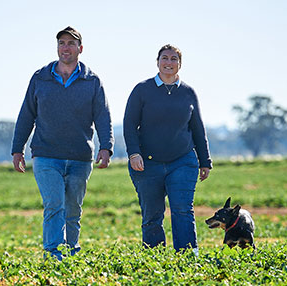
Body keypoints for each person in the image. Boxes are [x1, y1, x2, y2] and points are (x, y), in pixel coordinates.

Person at [11, 26, 114, 261]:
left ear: (80, 48)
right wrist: (18, 149)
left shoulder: (92, 81)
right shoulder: (40, 78)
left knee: (73, 210)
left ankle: (71, 254)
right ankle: (53, 256)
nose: (65, 47)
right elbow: (26, 114)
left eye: (70, 43)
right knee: (54, 204)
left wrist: (106, 146)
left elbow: (103, 116)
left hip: (79, 157)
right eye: (61, 43)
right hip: (47, 155)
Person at [123, 44, 212, 255]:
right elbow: (129, 124)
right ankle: (155, 259)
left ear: (180, 65)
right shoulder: (142, 90)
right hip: (147, 163)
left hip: (182, 161)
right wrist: (134, 153)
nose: (169, 62)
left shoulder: (188, 93)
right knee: (152, 214)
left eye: (174, 59)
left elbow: (197, 128)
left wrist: (205, 160)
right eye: (165, 58)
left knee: (182, 210)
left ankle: (188, 257)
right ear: (157, 61)